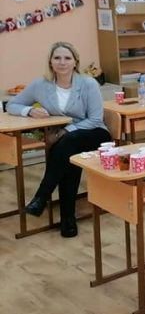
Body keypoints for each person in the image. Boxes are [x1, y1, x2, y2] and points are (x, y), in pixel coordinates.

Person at [7, 42, 110, 237]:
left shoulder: (88, 83)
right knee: (67, 155)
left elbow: (96, 119)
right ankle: (67, 219)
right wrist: (29, 110)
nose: (62, 62)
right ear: (50, 62)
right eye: (57, 58)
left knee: (67, 143)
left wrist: (66, 131)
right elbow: (12, 104)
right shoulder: (40, 85)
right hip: (65, 141)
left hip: (95, 133)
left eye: (67, 58)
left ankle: (42, 196)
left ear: (75, 62)